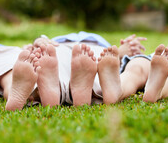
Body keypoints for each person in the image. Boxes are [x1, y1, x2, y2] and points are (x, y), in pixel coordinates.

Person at [13, 32, 147, 108]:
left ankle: (53, 90)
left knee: (59, 66)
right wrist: (40, 41)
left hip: (65, 49)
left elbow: (112, 54)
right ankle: (87, 90)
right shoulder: (50, 40)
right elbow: (38, 42)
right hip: (58, 46)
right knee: (51, 63)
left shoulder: (103, 46)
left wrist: (122, 50)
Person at [95, 44, 168, 104]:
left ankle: (120, 89)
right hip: (153, 60)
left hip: (150, 60)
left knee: (135, 69)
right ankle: (157, 91)